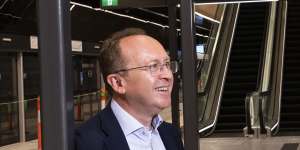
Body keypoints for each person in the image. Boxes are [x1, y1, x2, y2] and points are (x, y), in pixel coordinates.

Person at [74, 28, 184, 150]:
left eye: (167, 65)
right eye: (153, 66)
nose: (168, 75)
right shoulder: (86, 142)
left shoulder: (171, 134)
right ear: (118, 83)